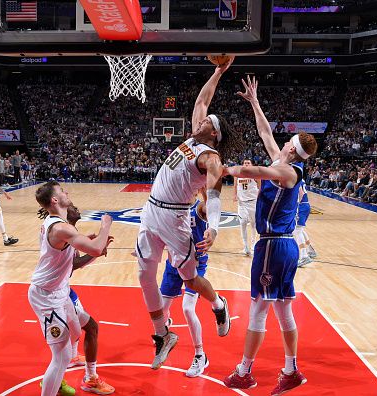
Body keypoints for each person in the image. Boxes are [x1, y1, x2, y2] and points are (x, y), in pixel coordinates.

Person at [135, 56, 247, 370]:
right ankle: (163, 336)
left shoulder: (210, 158)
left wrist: (213, 226)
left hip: (174, 218)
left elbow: (213, 192)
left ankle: (218, 303)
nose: (199, 122)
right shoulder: (194, 138)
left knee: (192, 279)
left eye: (206, 123)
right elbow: (202, 99)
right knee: (144, 275)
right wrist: (218, 71)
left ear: (215, 134)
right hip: (151, 210)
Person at [222, 76, 317, 394]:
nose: (285, 141)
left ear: (293, 149)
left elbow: (256, 172)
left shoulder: (288, 171)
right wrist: (254, 102)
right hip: (283, 246)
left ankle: (244, 371)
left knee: (259, 309)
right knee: (283, 308)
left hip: (273, 246)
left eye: (289, 142)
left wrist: (225, 168)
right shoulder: (285, 160)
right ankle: (291, 370)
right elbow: (265, 133)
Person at [30, 181, 113, 396]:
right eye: (62, 191)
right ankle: (51, 388)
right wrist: (105, 226)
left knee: (85, 328)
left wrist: (92, 244)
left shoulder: (57, 224)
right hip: (47, 296)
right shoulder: (60, 227)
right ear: (55, 200)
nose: (67, 193)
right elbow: (95, 249)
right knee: (62, 356)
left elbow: (76, 259)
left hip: (60, 291)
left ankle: (71, 380)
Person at [160, 191, 210, 377]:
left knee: (188, 309)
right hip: (173, 265)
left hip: (195, 266)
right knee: (161, 310)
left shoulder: (198, 208)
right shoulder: (170, 207)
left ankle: (200, 355)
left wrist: (207, 191)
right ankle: (165, 331)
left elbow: (210, 207)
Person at [233, 159, 259, 256]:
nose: (246, 164)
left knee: (253, 224)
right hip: (242, 203)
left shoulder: (256, 174)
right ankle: (245, 246)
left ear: (251, 164)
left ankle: (253, 245)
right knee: (242, 223)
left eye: (248, 163)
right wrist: (234, 195)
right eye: (245, 163)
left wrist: (259, 198)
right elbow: (235, 186)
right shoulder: (238, 174)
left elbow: (260, 187)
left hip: (253, 202)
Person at [294, 181, 316, 267]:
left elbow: (301, 193)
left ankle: (304, 256)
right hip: (306, 205)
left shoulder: (296, 178)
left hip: (301, 206)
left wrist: (296, 205)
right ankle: (310, 250)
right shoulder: (301, 179)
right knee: (300, 229)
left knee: (297, 231)